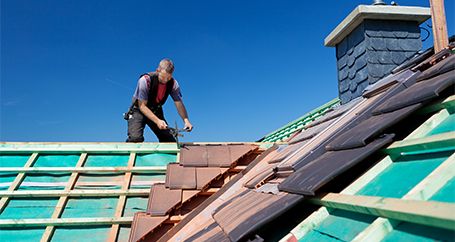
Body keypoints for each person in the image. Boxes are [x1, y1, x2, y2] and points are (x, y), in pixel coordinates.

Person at [126, 58, 193, 142]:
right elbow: (142, 106)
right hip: (139, 110)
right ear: (158, 70)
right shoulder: (145, 80)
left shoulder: (173, 84)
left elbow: (179, 103)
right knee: (135, 139)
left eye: (168, 78)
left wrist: (186, 120)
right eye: (163, 77)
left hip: (156, 110)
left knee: (169, 141)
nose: (165, 81)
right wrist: (157, 121)